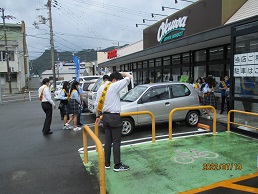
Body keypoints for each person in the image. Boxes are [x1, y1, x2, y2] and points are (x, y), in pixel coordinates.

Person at [95, 71, 132, 172]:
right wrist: (124, 73)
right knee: (116, 142)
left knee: (107, 142)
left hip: (105, 117)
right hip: (114, 117)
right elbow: (129, 78)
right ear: (114, 80)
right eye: (118, 80)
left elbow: (97, 103)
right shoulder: (114, 85)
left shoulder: (101, 88)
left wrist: (97, 116)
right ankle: (117, 164)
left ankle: (107, 163)